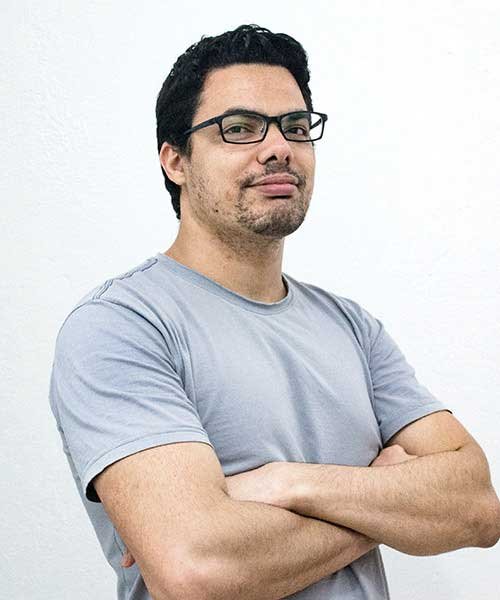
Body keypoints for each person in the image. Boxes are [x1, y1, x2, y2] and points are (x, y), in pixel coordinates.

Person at [48, 23, 500, 600]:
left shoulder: (352, 328)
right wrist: (382, 498)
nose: (279, 148)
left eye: (295, 127)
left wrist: (287, 483)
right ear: (175, 161)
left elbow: (477, 506)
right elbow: (198, 570)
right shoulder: (121, 326)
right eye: (239, 128)